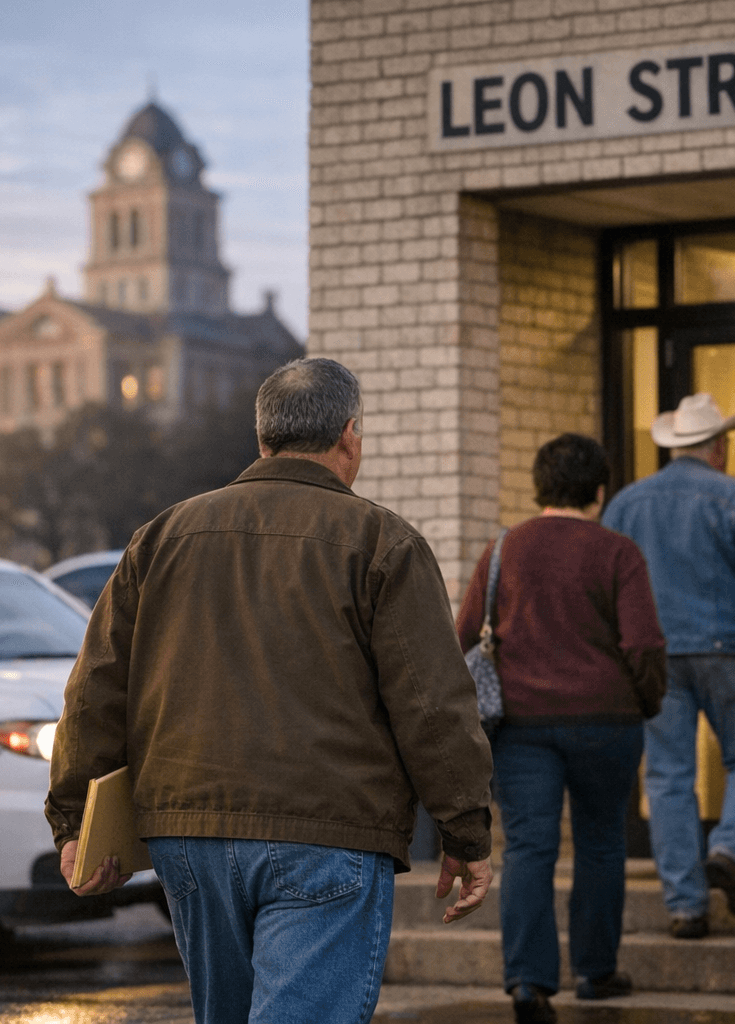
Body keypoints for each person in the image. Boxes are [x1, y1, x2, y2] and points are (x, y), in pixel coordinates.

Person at [44, 357, 495, 1024]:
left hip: (189, 834)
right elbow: (432, 704)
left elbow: (94, 689)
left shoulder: (162, 537)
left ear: (262, 439)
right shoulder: (383, 543)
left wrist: (73, 820)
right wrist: (465, 829)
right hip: (327, 829)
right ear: (349, 436)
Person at [456, 433, 668, 1024]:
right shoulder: (618, 551)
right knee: (601, 842)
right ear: (600, 491)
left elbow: (464, 634)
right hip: (608, 721)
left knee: (529, 847)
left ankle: (529, 982)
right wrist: (647, 701)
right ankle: (596, 972)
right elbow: (644, 643)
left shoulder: (503, 549)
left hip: (521, 726)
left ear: (539, 486)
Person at [603, 392, 735, 935]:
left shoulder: (626, 504)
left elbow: (607, 586)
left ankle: (686, 906)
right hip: (731, 649)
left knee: (668, 777)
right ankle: (731, 849)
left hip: (655, 657)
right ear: (718, 447)